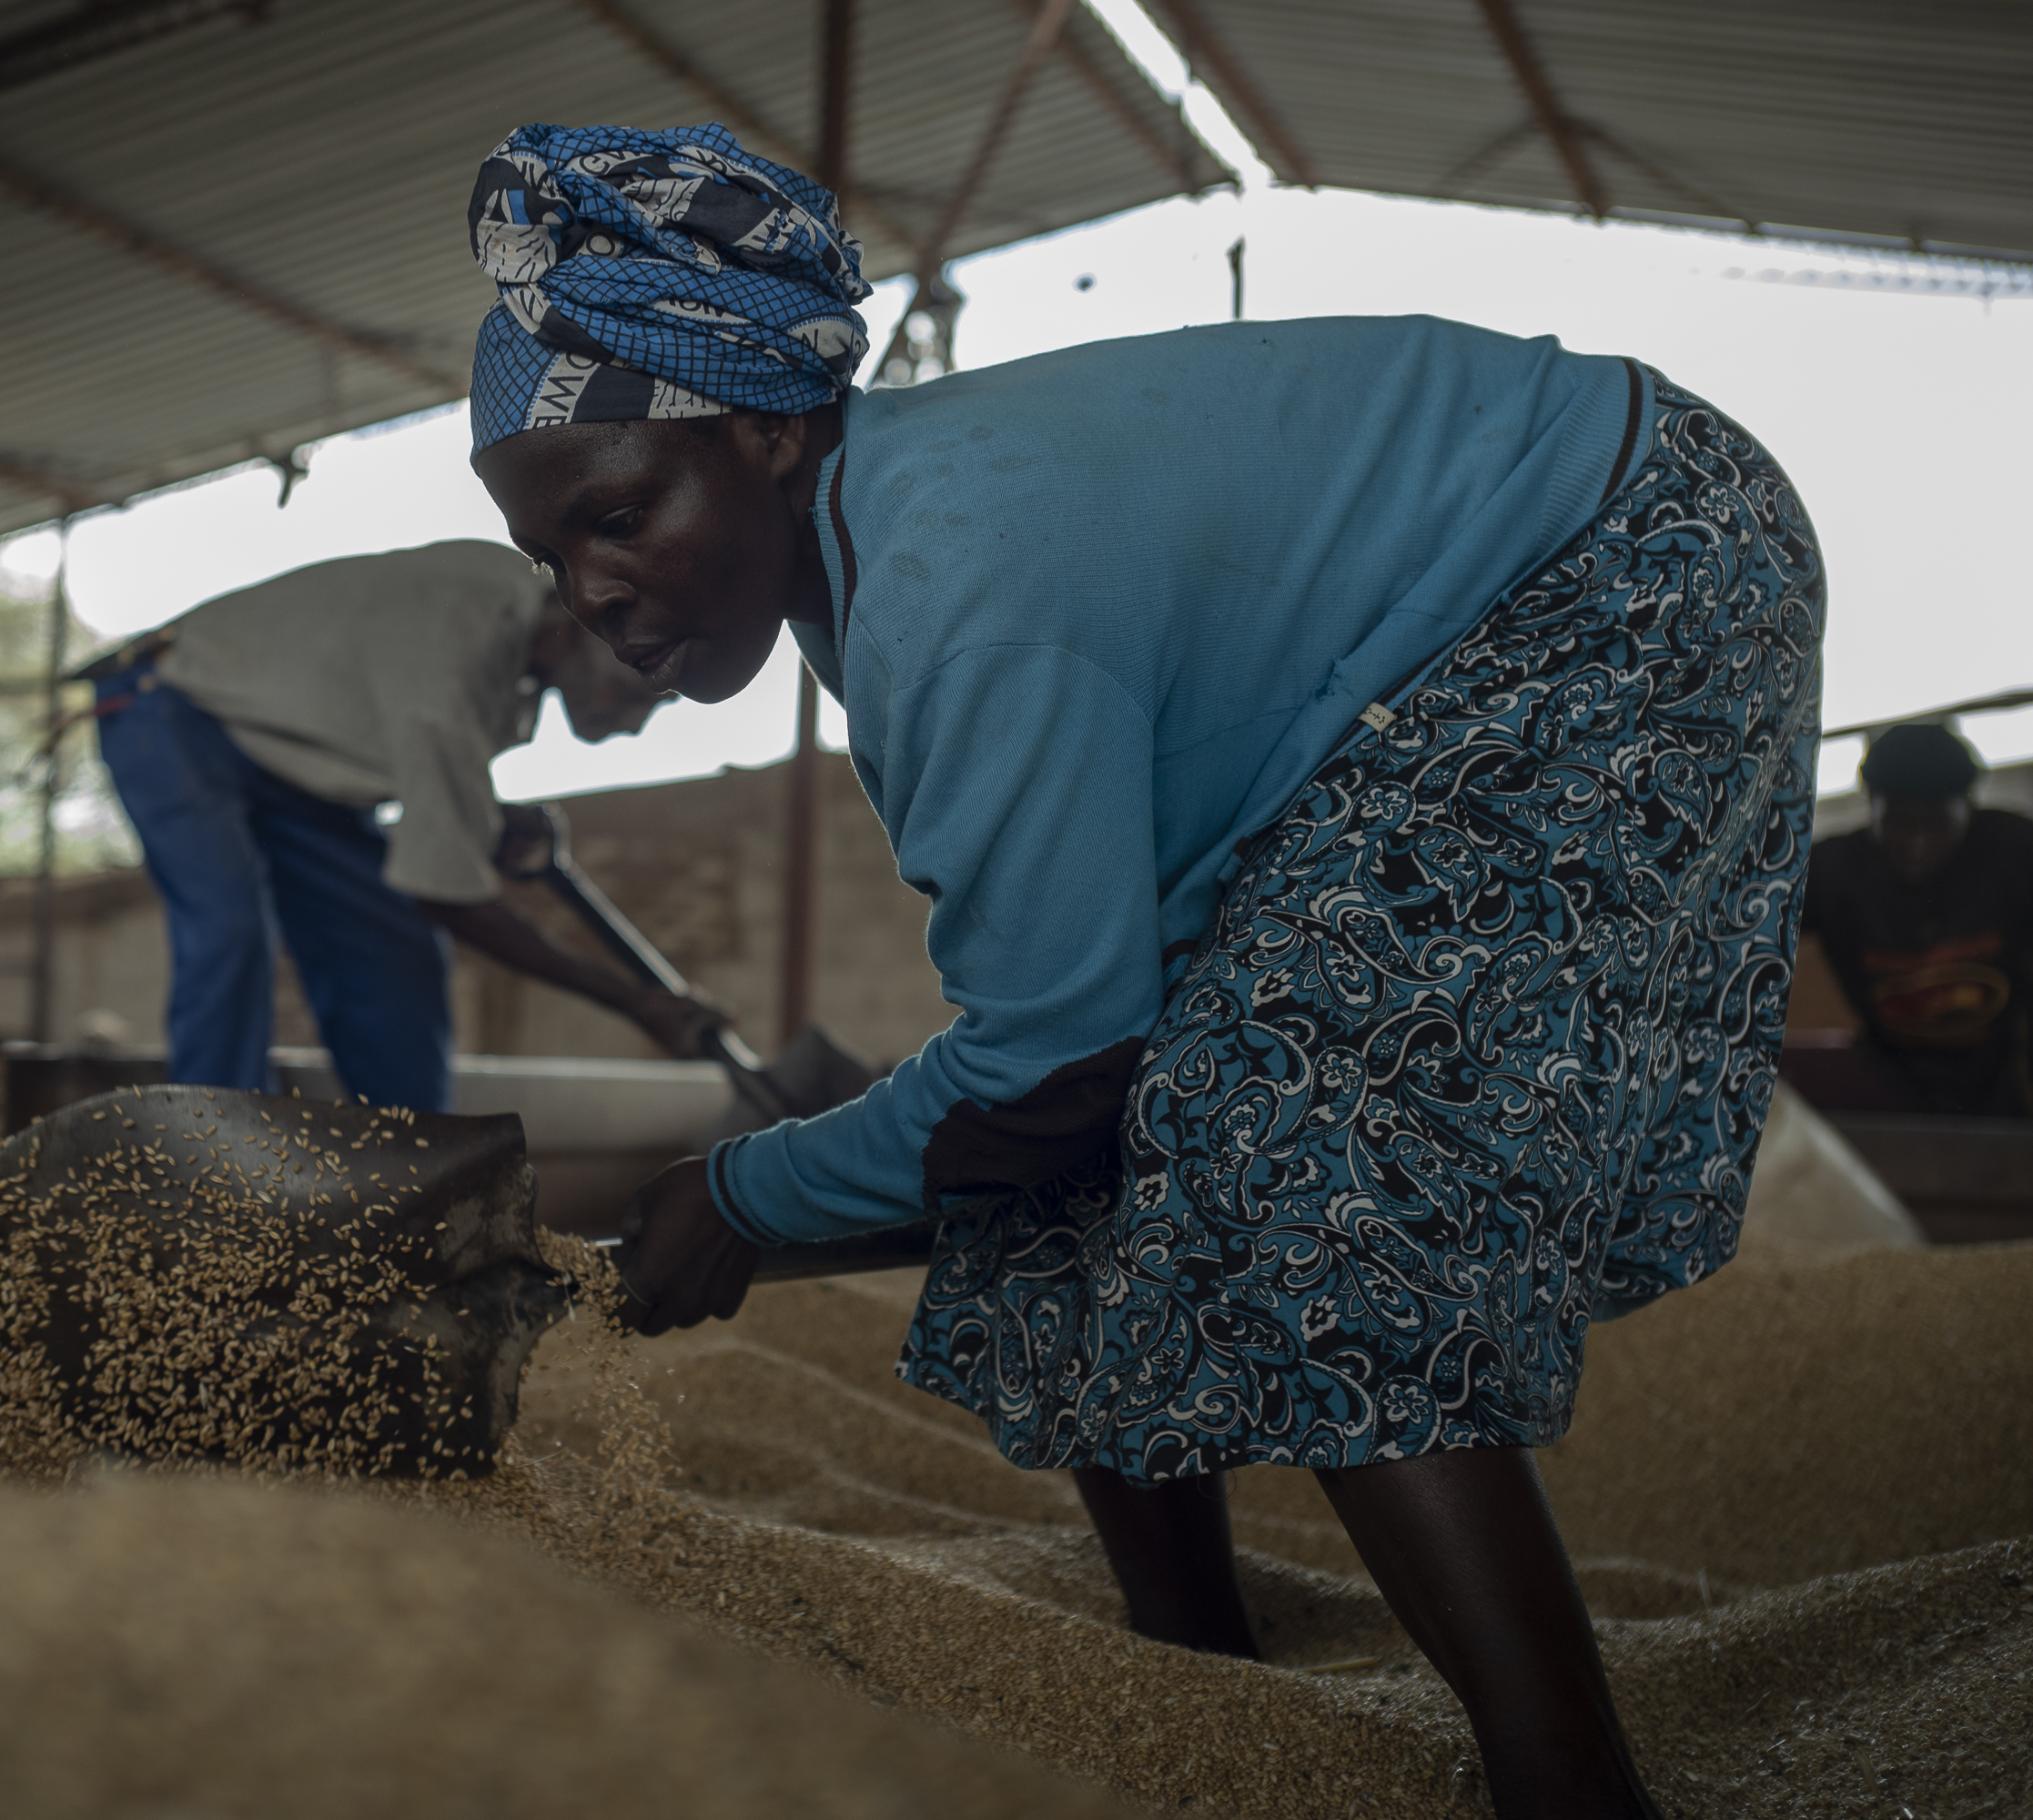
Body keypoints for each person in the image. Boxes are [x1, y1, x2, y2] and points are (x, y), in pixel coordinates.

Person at [461, 124, 1825, 1819]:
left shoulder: (959, 584)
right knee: (1083, 1152)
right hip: (1410, 670)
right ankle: (1190, 1677)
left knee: (1301, 1127)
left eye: (617, 514)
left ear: (766, 427)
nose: (594, 593)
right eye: (556, 560)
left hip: (1622, 560)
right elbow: (1059, 1083)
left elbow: (1052, 1060)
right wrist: (777, 1196)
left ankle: (1570, 1790)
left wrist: (742, 1197)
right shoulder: (877, 564)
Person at [89, 540, 720, 1112]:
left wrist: (483, 819)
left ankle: (409, 1170)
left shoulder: (519, 625)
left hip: (300, 772)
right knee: (229, 931)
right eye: (635, 693)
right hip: (174, 710)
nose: (632, 723)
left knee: (394, 947)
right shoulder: (460, 641)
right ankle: (211, 1172)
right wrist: (633, 1003)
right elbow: (449, 895)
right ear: (579, 630)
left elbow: (424, 761)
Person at [1801, 722, 2033, 1117]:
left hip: (2007, 1083)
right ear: (1871, 805)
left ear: (1969, 807)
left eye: (1937, 824)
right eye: (1897, 823)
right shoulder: (1832, 872)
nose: (1917, 844)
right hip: (1890, 1089)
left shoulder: (2015, 851)